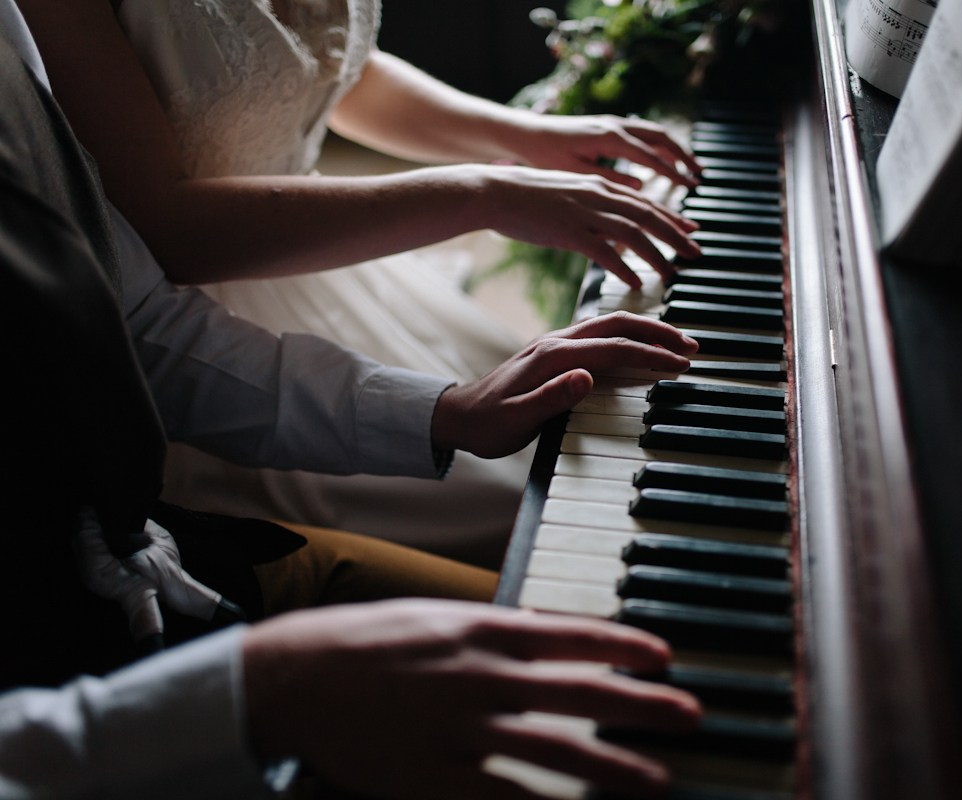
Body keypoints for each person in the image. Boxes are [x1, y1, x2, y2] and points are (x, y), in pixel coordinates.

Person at [0, 3, 701, 795]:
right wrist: (475, 193)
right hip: (92, 611)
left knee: (598, 561)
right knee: (570, 549)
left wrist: (445, 409)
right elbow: (162, 236)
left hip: (173, 527)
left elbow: (141, 321)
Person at [15, 0, 702, 564]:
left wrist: (521, 134)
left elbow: (329, 67)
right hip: (211, 343)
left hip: (334, 268)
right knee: (544, 523)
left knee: (584, 436)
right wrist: (482, 193)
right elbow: (167, 230)